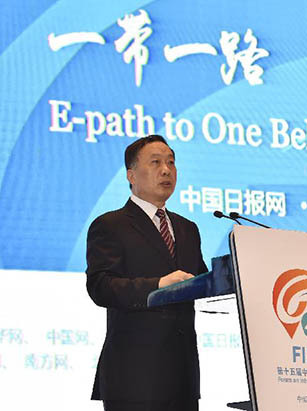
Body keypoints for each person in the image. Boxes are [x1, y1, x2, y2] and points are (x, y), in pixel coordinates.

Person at [86, 135, 207, 411]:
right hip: (134, 378)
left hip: (183, 379)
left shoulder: (188, 229)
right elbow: (101, 286)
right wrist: (159, 285)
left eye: (171, 162)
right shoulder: (111, 225)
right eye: (155, 162)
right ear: (131, 175)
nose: (166, 170)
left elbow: (199, 282)